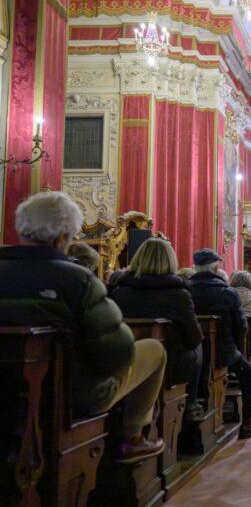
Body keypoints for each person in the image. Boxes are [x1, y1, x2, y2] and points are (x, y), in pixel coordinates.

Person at [0, 191, 165, 462]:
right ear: (63, 237)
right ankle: (133, 437)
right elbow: (119, 350)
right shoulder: (77, 280)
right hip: (68, 396)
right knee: (154, 350)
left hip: (6, 393)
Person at [109, 238, 205, 420]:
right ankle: (191, 402)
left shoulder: (119, 292)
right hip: (171, 365)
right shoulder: (179, 294)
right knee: (199, 344)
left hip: (124, 363)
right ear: (171, 261)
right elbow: (193, 337)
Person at [188, 249, 251, 439]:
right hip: (223, 351)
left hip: (191, 352)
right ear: (215, 267)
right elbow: (241, 327)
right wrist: (236, 350)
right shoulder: (228, 292)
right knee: (250, 374)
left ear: (195, 267)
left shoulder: (185, 289)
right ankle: (247, 424)